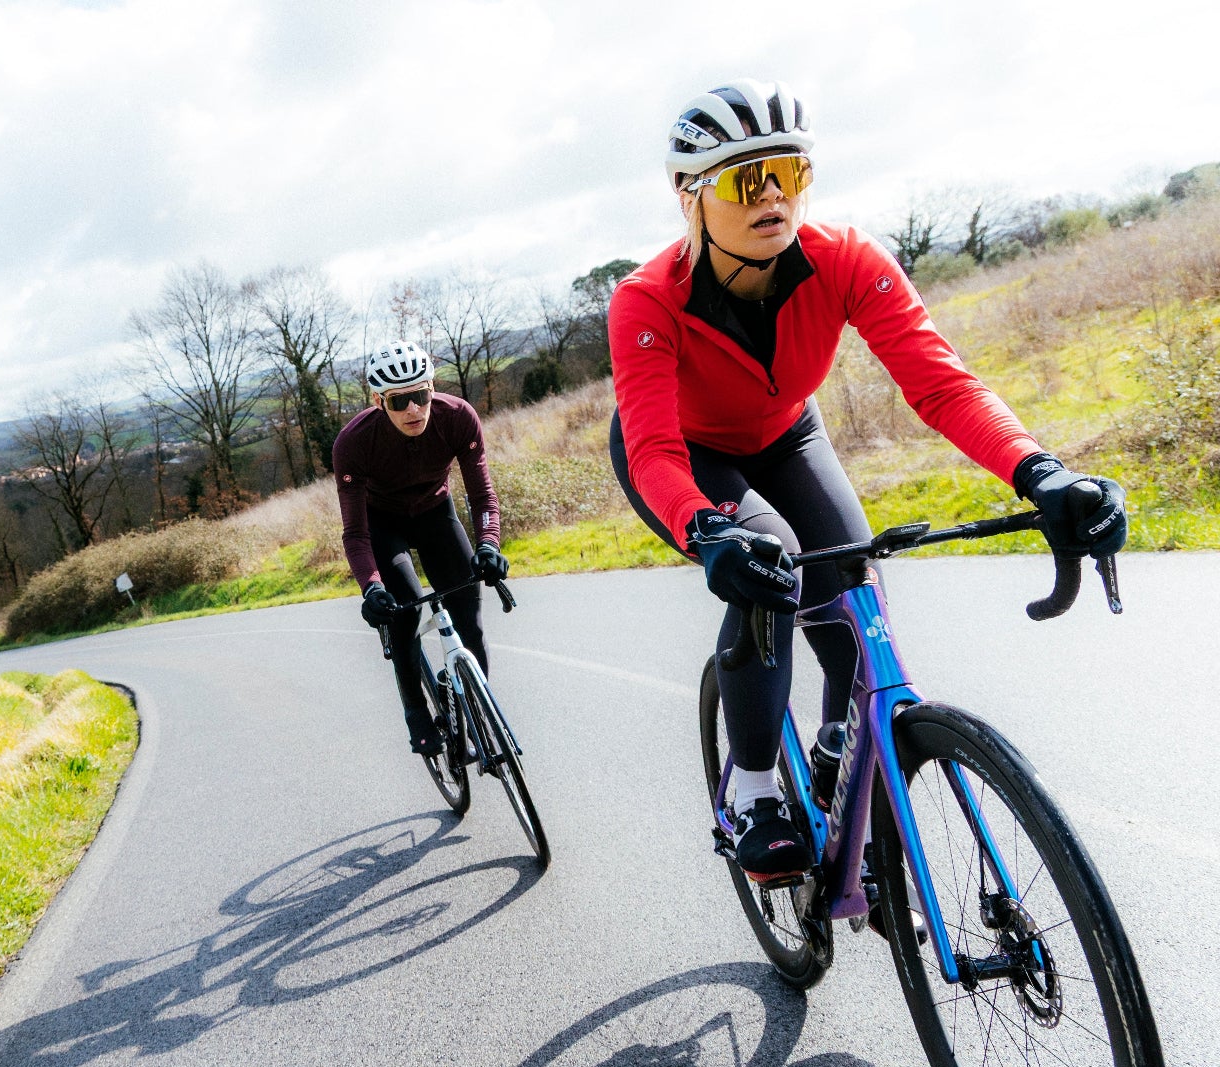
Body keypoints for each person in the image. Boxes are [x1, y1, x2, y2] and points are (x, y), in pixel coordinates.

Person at [608, 79, 1127, 880]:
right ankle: (753, 792)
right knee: (768, 559)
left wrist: (1042, 472)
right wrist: (705, 529)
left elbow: (942, 385)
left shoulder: (847, 258)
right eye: (748, 179)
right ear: (689, 195)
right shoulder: (647, 301)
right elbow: (652, 452)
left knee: (853, 587)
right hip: (688, 453)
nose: (773, 194)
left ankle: (837, 748)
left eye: (790, 171)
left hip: (786, 434)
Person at [333, 341, 509, 756]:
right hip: (382, 524)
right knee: (404, 607)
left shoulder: (458, 418)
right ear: (379, 402)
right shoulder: (353, 444)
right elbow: (355, 533)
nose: (414, 409)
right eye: (399, 401)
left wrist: (488, 544)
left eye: (421, 394)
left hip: (435, 513)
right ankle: (416, 710)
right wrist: (372, 587)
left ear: (432, 387)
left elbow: (483, 497)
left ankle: (475, 716)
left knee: (470, 615)